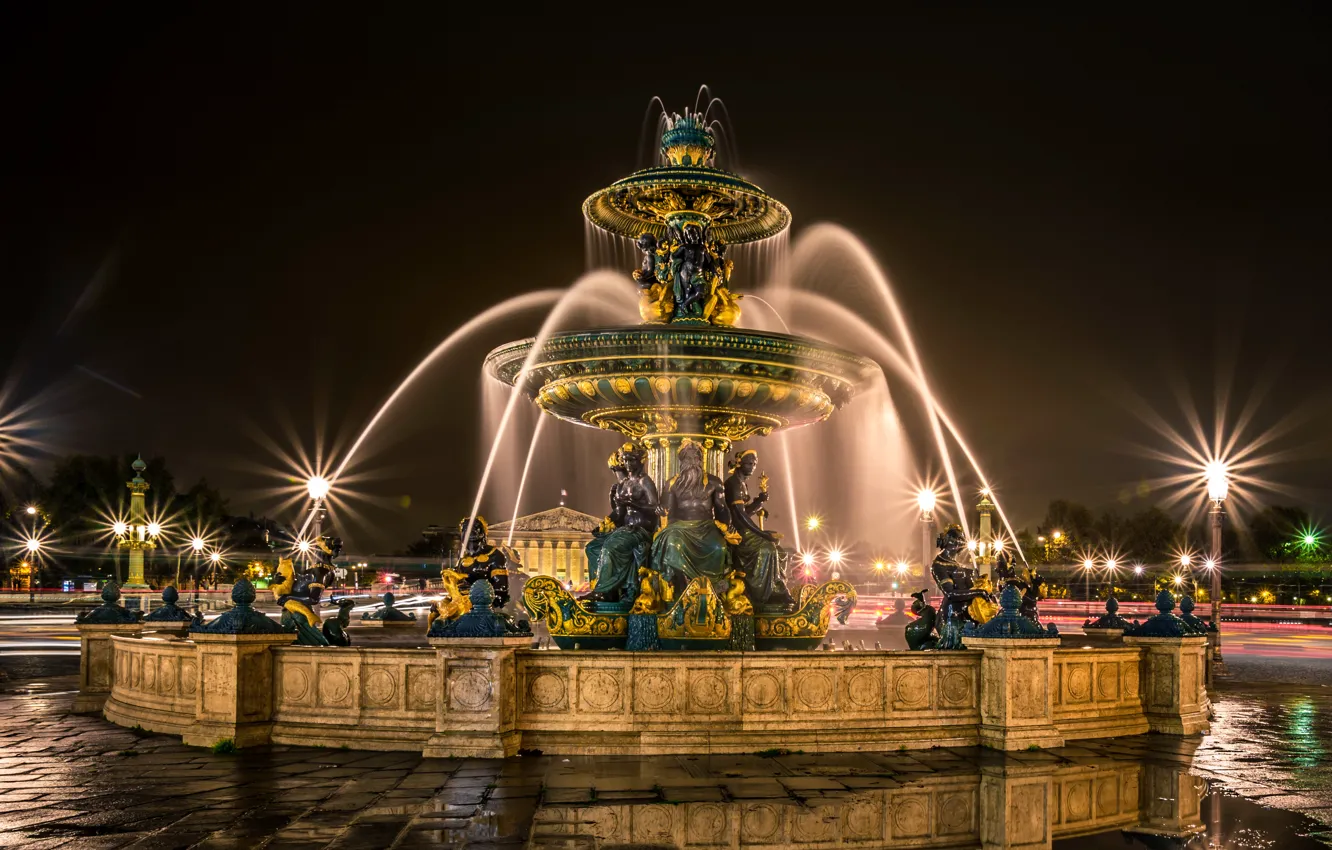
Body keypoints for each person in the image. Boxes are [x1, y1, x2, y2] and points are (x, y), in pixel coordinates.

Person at [581, 444, 658, 603]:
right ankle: (606, 588)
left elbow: (654, 508)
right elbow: (619, 513)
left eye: (631, 460)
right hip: (624, 529)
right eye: (625, 460)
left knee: (610, 548)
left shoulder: (644, 481)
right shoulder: (623, 484)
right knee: (592, 548)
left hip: (640, 529)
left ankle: (604, 591)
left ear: (640, 461)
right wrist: (606, 522)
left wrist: (632, 503)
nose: (628, 464)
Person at [652, 440, 732, 591]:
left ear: (701, 460)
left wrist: (727, 526)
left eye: (696, 457)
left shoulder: (714, 483)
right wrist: (662, 512)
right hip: (680, 526)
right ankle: (682, 587)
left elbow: (722, 509)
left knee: (719, 547)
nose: (693, 461)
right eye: (688, 458)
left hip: (706, 526)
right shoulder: (671, 484)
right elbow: (668, 511)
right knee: (673, 544)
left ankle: (712, 587)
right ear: (681, 460)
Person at [725, 450, 791, 608]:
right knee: (768, 548)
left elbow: (745, 512)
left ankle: (777, 588)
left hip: (743, 528)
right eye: (749, 463)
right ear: (739, 463)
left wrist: (759, 502)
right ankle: (763, 595)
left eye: (754, 464)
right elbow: (740, 516)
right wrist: (762, 534)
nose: (753, 467)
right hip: (736, 531)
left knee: (779, 549)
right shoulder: (733, 483)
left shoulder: (742, 483)